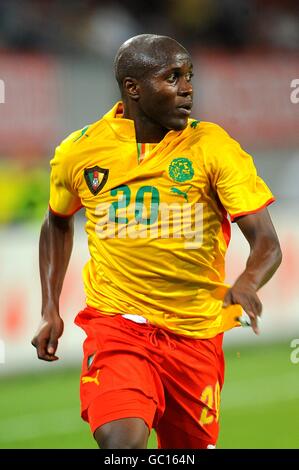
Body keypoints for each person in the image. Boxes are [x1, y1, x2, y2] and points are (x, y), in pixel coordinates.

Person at [32, 34, 282, 449]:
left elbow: (267, 243)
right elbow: (57, 222)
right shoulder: (80, 151)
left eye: (189, 76)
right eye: (172, 77)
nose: (188, 88)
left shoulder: (213, 148)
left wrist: (247, 283)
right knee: (122, 446)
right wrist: (49, 308)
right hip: (118, 329)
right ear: (133, 88)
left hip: (195, 337)